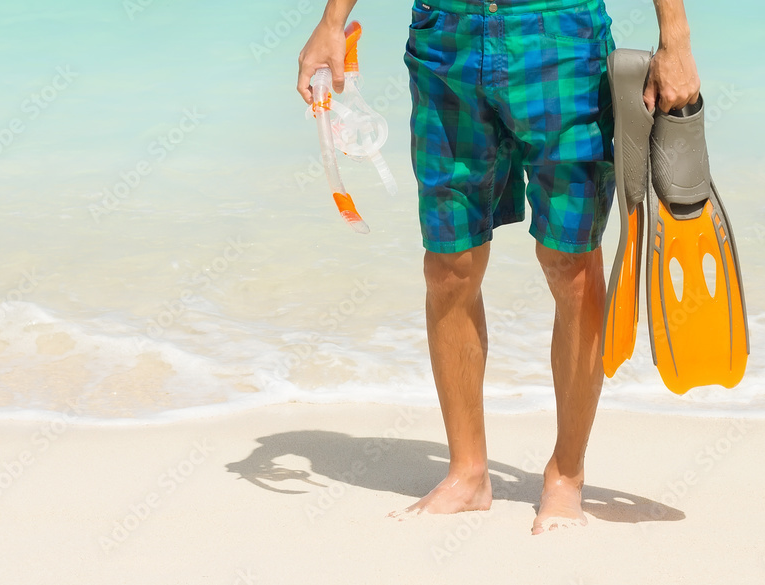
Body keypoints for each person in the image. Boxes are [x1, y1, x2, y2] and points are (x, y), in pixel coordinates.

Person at [297, 0, 700, 534]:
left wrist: (676, 37)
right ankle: (468, 474)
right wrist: (331, 22)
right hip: (447, 39)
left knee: (571, 263)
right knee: (449, 263)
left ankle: (567, 475)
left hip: (560, 35)